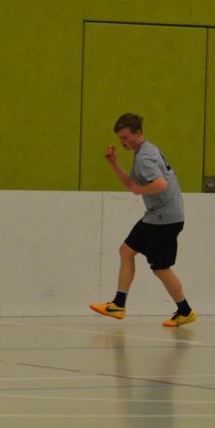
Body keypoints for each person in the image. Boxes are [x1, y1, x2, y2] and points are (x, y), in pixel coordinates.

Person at [90, 113, 196, 327]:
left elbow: (160, 184)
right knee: (153, 264)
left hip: (163, 218)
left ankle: (119, 304)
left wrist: (140, 190)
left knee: (135, 255)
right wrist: (114, 163)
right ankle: (184, 311)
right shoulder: (147, 150)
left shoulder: (144, 157)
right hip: (166, 216)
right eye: (120, 138)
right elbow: (132, 185)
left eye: (125, 137)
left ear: (138, 133)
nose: (123, 142)